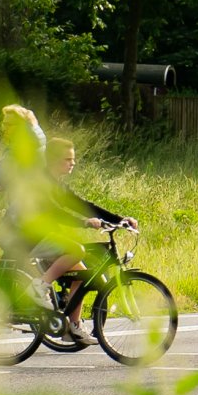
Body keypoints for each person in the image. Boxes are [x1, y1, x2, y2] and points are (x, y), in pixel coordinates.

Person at [29, 137, 134, 345]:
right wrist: (85, 223)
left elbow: (83, 205)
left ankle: (74, 326)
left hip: (46, 236)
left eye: (73, 159)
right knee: (76, 250)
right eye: (68, 159)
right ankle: (39, 286)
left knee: (82, 273)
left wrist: (120, 220)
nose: (72, 163)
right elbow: (55, 213)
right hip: (30, 236)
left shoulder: (56, 184)